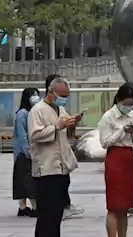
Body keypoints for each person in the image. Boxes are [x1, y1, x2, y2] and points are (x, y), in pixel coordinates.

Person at [29, 77, 80, 237]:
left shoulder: (60, 110)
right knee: (46, 215)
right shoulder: (37, 110)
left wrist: (72, 125)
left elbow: (65, 134)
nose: (64, 99)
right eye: (62, 95)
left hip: (62, 168)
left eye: (67, 96)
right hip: (46, 170)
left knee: (57, 214)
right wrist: (57, 127)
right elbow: (35, 135)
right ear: (51, 93)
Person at [98, 83, 133, 237]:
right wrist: (122, 131)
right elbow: (105, 142)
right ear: (118, 100)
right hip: (115, 157)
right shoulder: (108, 117)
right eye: (126, 104)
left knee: (125, 206)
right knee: (114, 205)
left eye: (131, 105)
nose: (128, 108)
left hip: (129, 158)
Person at [13, 87, 39, 217]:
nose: (36, 98)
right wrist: (28, 152)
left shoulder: (32, 112)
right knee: (29, 181)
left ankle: (22, 208)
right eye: (33, 95)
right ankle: (34, 207)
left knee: (22, 180)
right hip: (24, 153)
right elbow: (22, 135)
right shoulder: (22, 114)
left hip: (27, 151)